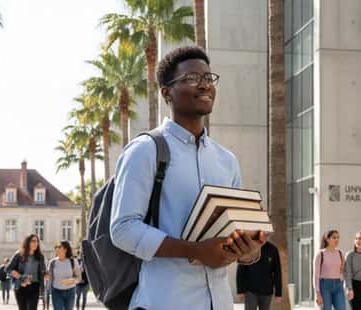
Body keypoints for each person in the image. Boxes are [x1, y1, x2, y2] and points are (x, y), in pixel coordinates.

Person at [109, 46, 265, 310]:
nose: (204, 85)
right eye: (192, 78)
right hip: (163, 303)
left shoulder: (227, 160)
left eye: (209, 78)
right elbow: (122, 229)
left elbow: (235, 231)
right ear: (166, 92)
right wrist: (195, 251)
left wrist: (249, 252)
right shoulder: (145, 150)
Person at [236, 241, 282, 310]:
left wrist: (278, 293)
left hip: (267, 292)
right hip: (250, 291)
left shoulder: (272, 249)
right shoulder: (248, 248)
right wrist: (240, 290)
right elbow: (240, 270)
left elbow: (277, 272)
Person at [8, 234, 46, 310]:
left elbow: (43, 272)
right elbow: (9, 269)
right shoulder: (19, 255)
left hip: (35, 286)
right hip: (21, 286)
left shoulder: (40, 257)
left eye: (37, 241)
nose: (36, 243)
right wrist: (21, 278)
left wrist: (46, 274)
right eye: (33, 241)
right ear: (27, 242)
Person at [314, 230, 346, 310]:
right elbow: (316, 275)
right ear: (327, 239)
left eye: (338, 238)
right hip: (324, 286)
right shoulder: (320, 254)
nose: (337, 240)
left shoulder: (340, 253)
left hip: (338, 285)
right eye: (334, 237)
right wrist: (318, 293)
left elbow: (343, 271)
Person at [48, 241, 81, 310]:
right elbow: (48, 276)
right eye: (56, 247)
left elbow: (78, 277)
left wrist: (72, 280)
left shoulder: (73, 261)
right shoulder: (52, 262)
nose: (57, 249)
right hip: (56, 291)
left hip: (70, 291)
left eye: (59, 247)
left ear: (65, 249)